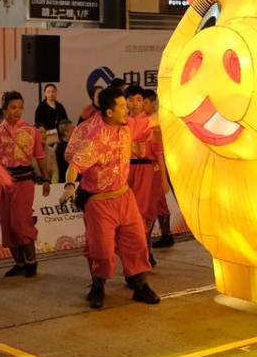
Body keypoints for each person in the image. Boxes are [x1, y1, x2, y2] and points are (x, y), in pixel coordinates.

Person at [63, 81, 159, 309]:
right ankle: (98, 287)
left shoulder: (127, 128)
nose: (128, 109)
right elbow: (74, 164)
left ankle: (139, 285)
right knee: (103, 252)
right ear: (108, 111)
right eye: (123, 106)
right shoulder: (94, 136)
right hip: (99, 202)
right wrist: (69, 186)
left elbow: (155, 119)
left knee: (137, 243)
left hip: (124, 196)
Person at [0, 90, 48, 277]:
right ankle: (19, 263)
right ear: (4, 110)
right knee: (6, 223)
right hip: (3, 183)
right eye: (13, 107)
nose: (17, 111)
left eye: (20, 107)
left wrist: (45, 178)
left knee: (20, 221)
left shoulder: (31, 130)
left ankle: (31, 262)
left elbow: (40, 156)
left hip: (25, 180)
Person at [123, 84, 159, 264]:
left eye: (138, 100)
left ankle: (144, 251)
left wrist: (164, 180)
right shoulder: (122, 122)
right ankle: (137, 253)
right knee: (128, 215)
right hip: (126, 170)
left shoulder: (151, 121)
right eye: (130, 100)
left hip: (146, 169)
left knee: (143, 212)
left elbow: (158, 150)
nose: (135, 104)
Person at [142, 89, 175, 249]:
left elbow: (161, 147)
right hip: (148, 167)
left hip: (157, 164)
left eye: (145, 102)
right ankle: (165, 235)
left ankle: (165, 235)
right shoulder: (142, 120)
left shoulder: (158, 120)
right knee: (157, 202)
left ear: (153, 102)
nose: (142, 105)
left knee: (157, 202)